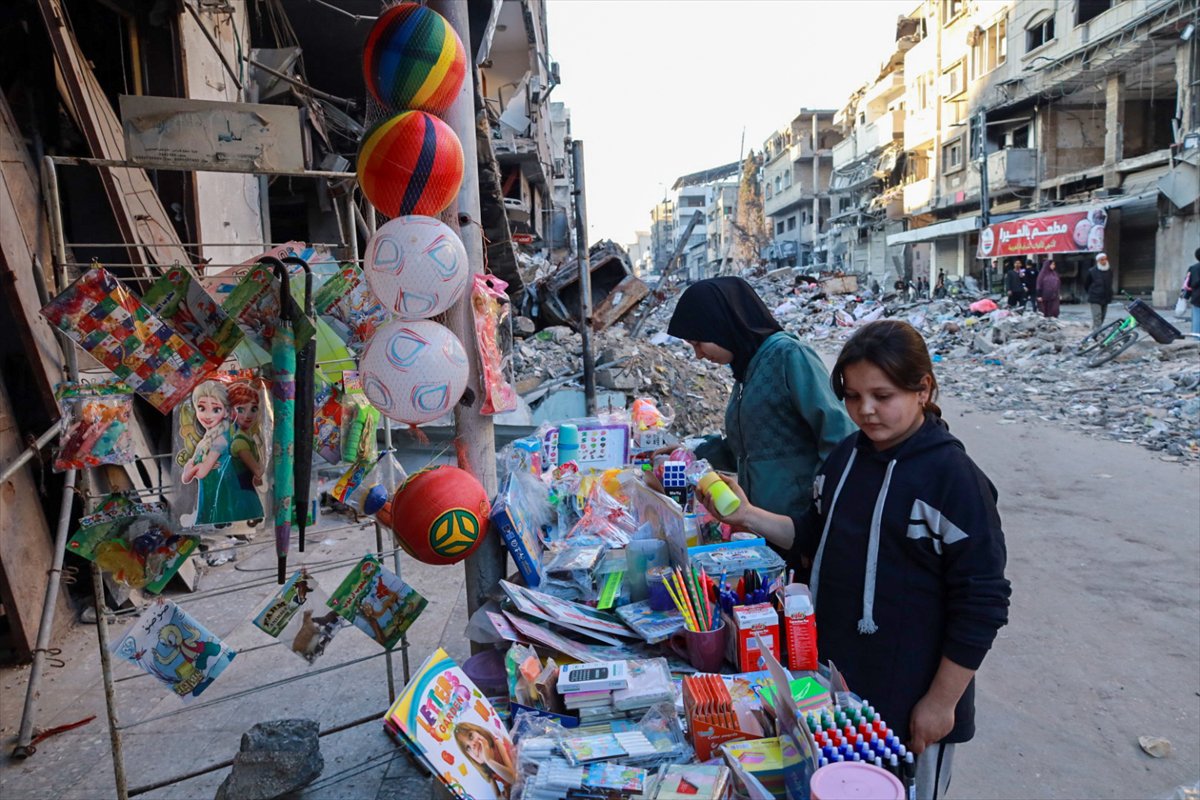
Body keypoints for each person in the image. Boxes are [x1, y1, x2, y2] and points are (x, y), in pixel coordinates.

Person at [696, 319, 1010, 800]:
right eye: (853, 396)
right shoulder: (845, 460)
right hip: (836, 683)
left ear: (923, 389)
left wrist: (941, 702)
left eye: (882, 396)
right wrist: (749, 516)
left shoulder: (954, 480)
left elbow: (983, 601)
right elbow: (811, 537)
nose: (866, 411)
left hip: (913, 693)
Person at [667, 277, 856, 526]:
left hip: (800, 522)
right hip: (763, 524)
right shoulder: (747, 371)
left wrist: (822, 514)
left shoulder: (788, 356)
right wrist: (687, 453)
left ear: (720, 325)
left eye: (698, 343)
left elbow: (839, 437)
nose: (698, 354)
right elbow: (745, 449)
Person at [453, 722, 516, 797]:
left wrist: (489, 760)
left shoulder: (498, 744)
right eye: (468, 747)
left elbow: (513, 778)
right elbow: (497, 796)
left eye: (471, 736)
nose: (472, 745)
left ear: (479, 731)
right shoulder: (486, 769)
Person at [1083, 252, 1114, 329]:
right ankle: (1096, 332)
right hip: (1095, 297)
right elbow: (1086, 284)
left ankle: (1097, 330)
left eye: (1105, 259)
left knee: (1103, 316)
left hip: (1106, 297)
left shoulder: (1109, 270)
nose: (1104, 261)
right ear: (1098, 261)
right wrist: (1092, 293)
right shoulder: (1092, 271)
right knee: (1097, 316)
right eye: (1102, 260)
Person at [1184, 247, 1200, 336]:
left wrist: (1186, 297)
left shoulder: (1193, 268)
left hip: (1196, 298)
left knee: (1197, 320)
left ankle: (1196, 340)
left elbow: (1187, 283)